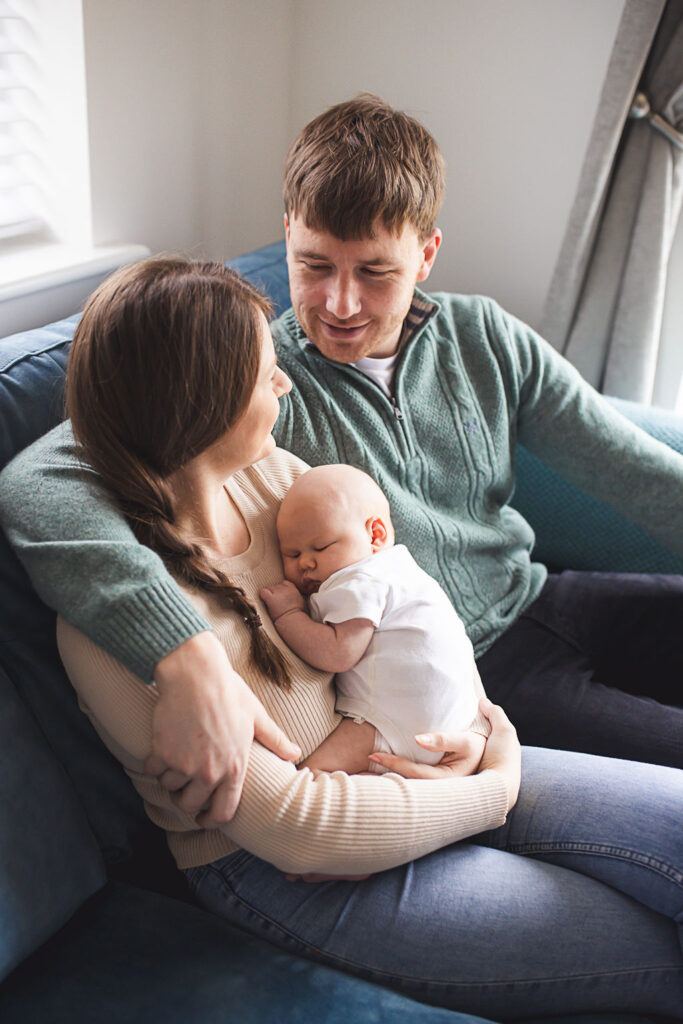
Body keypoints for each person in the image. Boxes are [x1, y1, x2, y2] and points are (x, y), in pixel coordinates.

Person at [1, 94, 683, 828]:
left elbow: (635, 473)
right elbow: (39, 478)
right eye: (313, 264)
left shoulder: (483, 337)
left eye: (375, 272)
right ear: (286, 231)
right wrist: (182, 651)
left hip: (542, 596)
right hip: (460, 675)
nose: (339, 303)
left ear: (426, 254)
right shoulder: (254, 390)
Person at [39, 255, 683, 1021]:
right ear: (198, 402)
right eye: (264, 373)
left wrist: (475, 736)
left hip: (419, 761)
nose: (284, 384)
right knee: (654, 948)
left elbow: (408, 599)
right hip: (292, 873)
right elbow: (301, 834)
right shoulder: (117, 617)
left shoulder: (273, 481)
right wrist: (494, 786)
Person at [261, 463, 488, 776]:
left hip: (390, 725)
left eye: (322, 546)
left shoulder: (362, 577)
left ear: (375, 534)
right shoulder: (405, 573)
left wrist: (288, 614)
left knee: (310, 779)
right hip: (455, 729)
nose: (306, 563)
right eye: (292, 554)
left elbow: (338, 653)